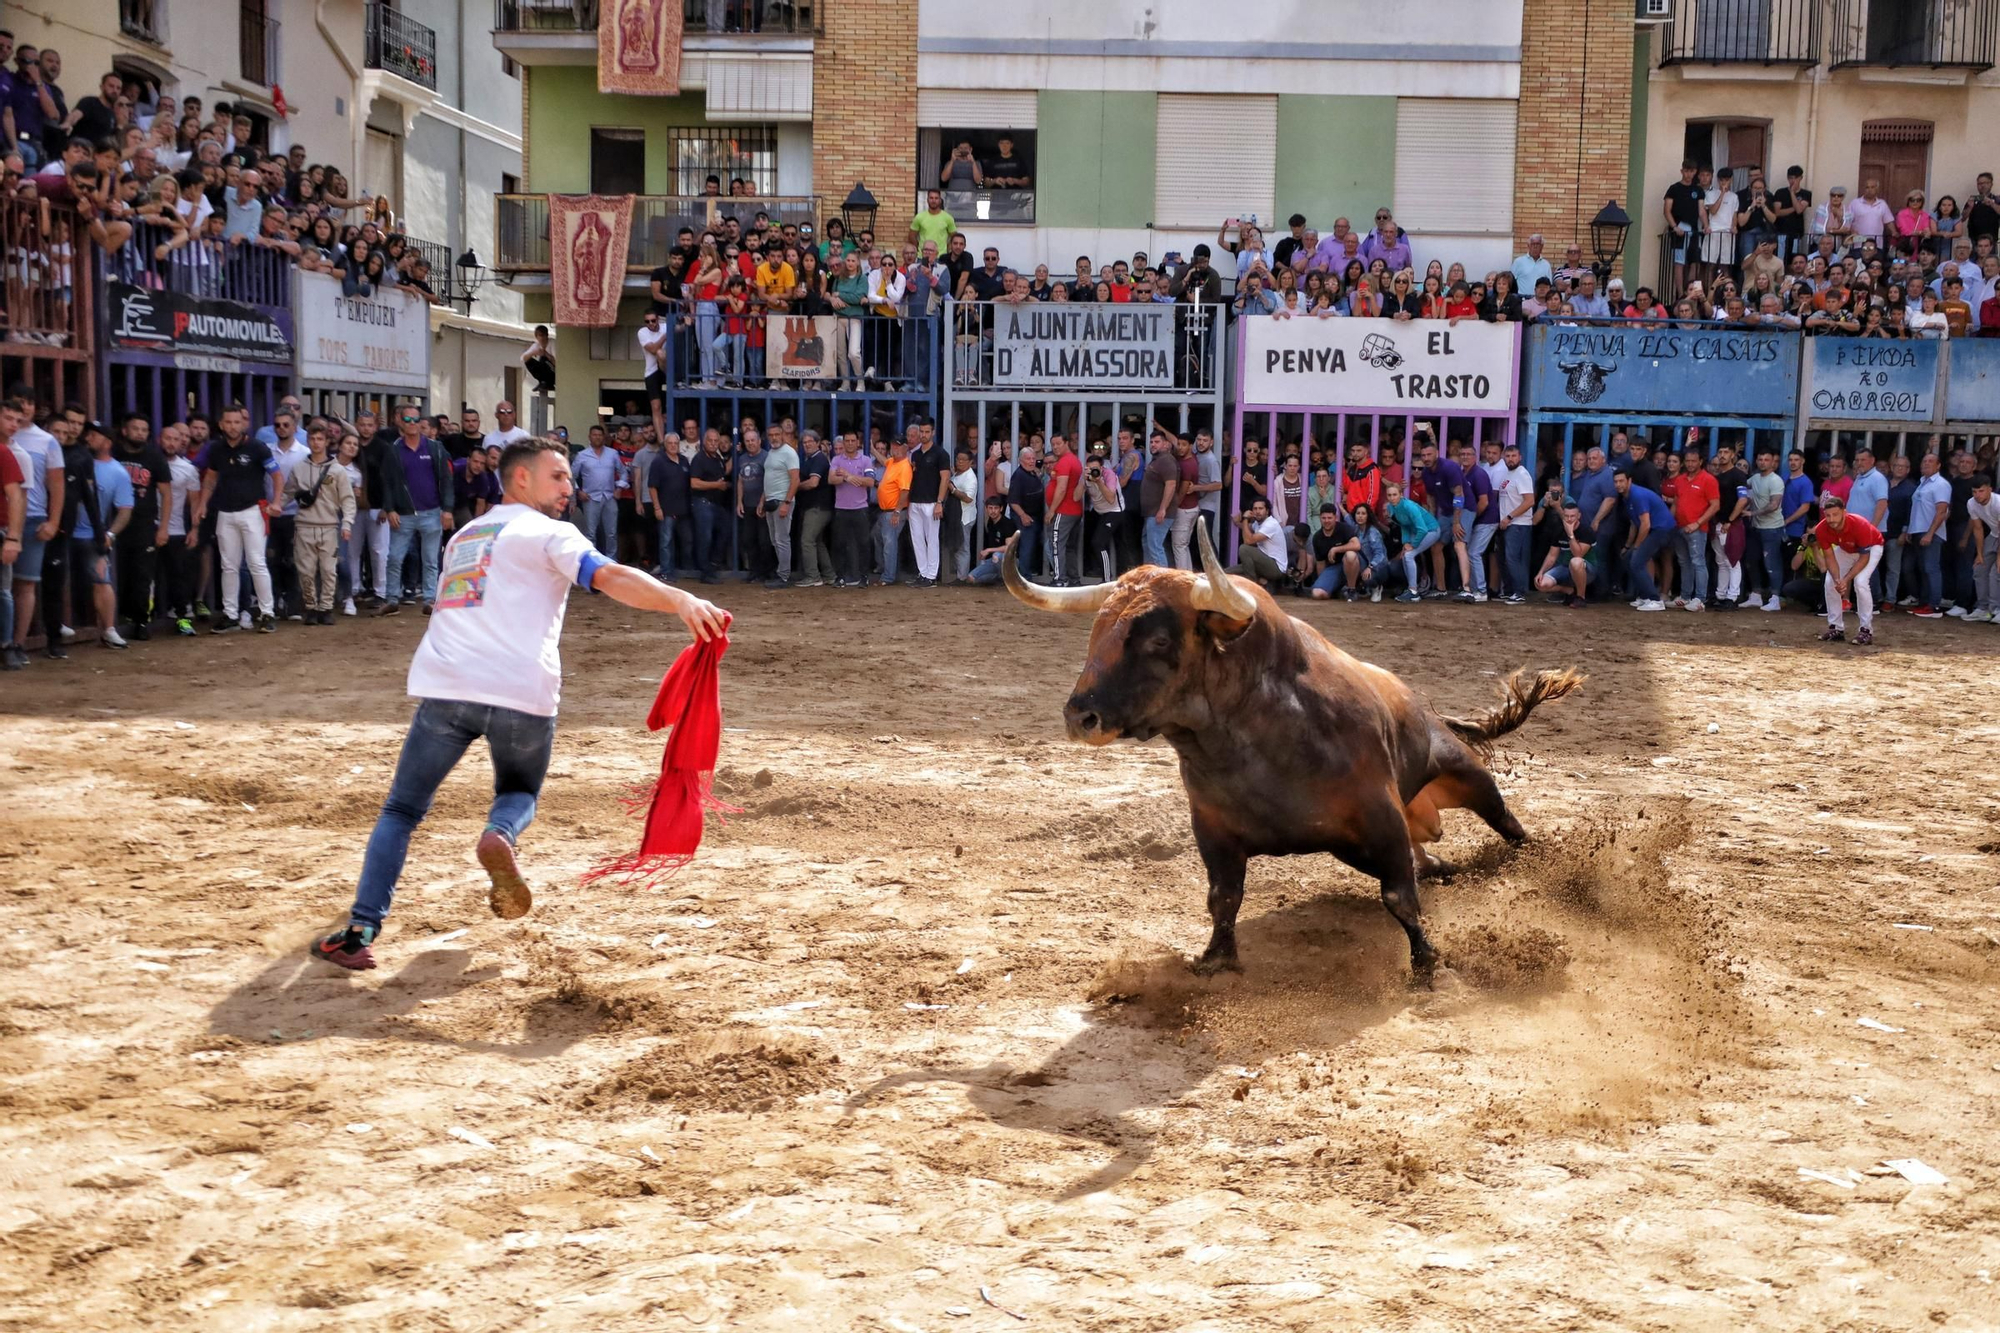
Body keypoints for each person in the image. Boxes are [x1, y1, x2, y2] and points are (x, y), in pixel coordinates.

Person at [314, 438, 729, 971]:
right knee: (517, 790)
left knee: (401, 810)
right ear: (520, 480)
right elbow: (608, 576)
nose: (568, 487)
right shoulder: (550, 532)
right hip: (518, 687)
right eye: (557, 477)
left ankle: (360, 928)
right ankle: (499, 834)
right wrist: (680, 599)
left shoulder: (465, 533)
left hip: (447, 684)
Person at [196, 402, 277, 633]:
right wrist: (202, 503)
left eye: (237, 422)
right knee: (228, 565)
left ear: (244, 423)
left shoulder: (258, 447)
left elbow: (277, 475)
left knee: (256, 562)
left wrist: (277, 501)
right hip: (225, 512)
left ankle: (266, 613)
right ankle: (230, 614)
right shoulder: (216, 449)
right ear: (221, 425)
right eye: (228, 422)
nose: (232, 426)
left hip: (253, 510)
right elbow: (210, 479)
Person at [377, 405, 455, 615]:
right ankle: (392, 599)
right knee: (394, 557)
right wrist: (390, 508)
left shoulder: (435, 448)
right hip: (403, 514)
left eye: (415, 420)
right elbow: (388, 482)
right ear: (400, 422)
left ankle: (429, 600)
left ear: (421, 422)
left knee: (430, 560)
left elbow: (446, 480)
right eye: (408, 420)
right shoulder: (393, 450)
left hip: (432, 511)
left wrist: (447, 509)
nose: (412, 424)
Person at [68, 421, 133, 648]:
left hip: (92, 534)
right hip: (63, 530)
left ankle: (108, 629)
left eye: (94, 435)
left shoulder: (118, 472)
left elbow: (125, 510)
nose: (88, 438)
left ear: (107, 442)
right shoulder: (74, 460)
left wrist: (111, 534)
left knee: (101, 579)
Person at [283, 421, 355, 625]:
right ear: (308, 441)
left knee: (328, 570)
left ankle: (326, 607)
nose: (316, 443)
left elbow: (347, 499)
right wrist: (276, 506)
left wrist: (347, 523)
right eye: (313, 439)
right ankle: (311, 606)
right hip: (304, 525)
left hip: (328, 526)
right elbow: (288, 492)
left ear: (326, 442)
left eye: (320, 439)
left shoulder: (337, 470)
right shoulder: (299, 468)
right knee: (305, 570)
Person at [109, 409, 170, 641]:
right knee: (118, 571)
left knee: (143, 574)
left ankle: (141, 620)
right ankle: (118, 617)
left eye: (144, 430)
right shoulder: (113, 453)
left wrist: (163, 527)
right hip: (114, 521)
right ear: (124, 430)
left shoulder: (155, 458)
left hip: (144, 523)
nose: (140, 433)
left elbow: (166, 494)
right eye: (135, 428)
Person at [1812, 492, 1884, 644]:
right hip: (1847, 548)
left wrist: (1846, 580)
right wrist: (1838, 580)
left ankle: (1866, 630)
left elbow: (1864, 557)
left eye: (1835, 515)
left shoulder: (1859, 524)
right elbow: (1829, 557)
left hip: (1872, 547)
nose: (1831, 519)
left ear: (1844, 512)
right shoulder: (1821, 529)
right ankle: (1836, 628)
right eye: (1828, 515)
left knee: (1861, 582)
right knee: (1830, 582)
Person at [1615, 469, 1674, 612]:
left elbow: (1645, 524)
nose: (1618, 484)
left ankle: (1655, 599)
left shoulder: (1637, 495)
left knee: (1636, 561)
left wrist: (1637, 546)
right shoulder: (1626, 497)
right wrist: (1628, 546)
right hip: (1654, 530)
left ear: (1629, 481)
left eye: (1621, 481)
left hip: (1662, 530)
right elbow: (1635, 523)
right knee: (1628, 558)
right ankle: (1645, 596)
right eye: (1616, 481)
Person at [1908, 450, 1952, 617]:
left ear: (1938, 465)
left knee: (1931, 568)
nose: (1925, 464)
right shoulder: (1923, 483)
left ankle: (1934, 605)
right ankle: (1925, 603)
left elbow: (1941, 511)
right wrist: (1912, 530)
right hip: (1919, 531)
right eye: (1924, 461)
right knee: (1923, 568)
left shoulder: (1940, 484)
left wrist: (1930, 533)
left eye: (1930, 461)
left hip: (1930, 533)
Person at [902, 422, 946, 587]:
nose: (923, 434)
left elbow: (945, 478)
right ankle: (923, 572)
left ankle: (931, 575)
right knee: (917, 539)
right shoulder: (915, 455)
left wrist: (939, 502)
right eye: (921, 431)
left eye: (927, 431)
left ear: (933, 432)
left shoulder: (940, 453)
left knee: (932, 539)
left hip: (932, 502)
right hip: (915, 501)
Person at [1383, 480, 1440, 603]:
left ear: (1401, 495)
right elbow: (1404, 525)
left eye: (1395, 495)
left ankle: (1413, 592)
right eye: (1389, 495)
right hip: (1415, 531)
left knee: (1409, 555)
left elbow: (1423, 529)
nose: (1392, 498)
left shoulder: (1409, 506)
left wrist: (1412, 545)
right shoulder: (1390, 508)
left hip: (1431, 530)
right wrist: (1406, 543)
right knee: (1405, 555)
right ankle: (1411, 589)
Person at [1534, 498, 1597, 608]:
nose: (1569, 519)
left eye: (1572, 516)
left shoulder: (1586, 530)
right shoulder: (1559, 529)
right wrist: (1541, 572)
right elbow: (1552, 556)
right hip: (1566, 568)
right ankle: (1568, 591)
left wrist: (1570, 535)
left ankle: (1580, 597)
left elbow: (1578, 554)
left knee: (1576, 561)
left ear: (1579, 516)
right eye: (1566, 516)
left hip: (1587, 570)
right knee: (1541, 584)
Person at [828, 433, 873, 587]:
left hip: (860, 508)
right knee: (839, 544)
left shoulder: (865, 460)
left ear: (858, 442)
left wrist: (848, 475)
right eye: (847, 441)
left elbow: (870, 481)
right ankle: (840, 576)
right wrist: (848, 478)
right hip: (841, 508)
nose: (850, 444)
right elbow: (831, 479)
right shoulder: (836, 460)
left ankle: (864, 576)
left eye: (853, 441)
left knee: (863, 543)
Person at [1043, 433, 1085, 587]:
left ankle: (1060, 579)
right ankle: (1074, 579)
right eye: (1053, 444)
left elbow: (1061, 488)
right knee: (1069, 547)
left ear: (1066, 443)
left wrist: (1052, 510)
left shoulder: (1065, 462)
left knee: (1056, 544)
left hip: (1064, 510)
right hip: (1073, 510)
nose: (1055, 447)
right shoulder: (1074, 460)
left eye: (1058, 444)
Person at [1306, 506, 1361, 599]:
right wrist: (1323, 581)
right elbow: (1320, 563)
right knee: (1317, 593)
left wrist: (1335, 549)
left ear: (1336, 518)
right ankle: (1335, 590)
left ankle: (1352, 590)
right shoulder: (1317, 537)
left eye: (1329, 518)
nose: (1326, 521)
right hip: (1335, 568)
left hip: (1355, 565)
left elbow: (1357, 545)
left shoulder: (1344, 528)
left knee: (1350, 555)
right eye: (1324, 518)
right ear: (1320, 518)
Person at [1230, 497, 1286, 587]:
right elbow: (1248, 527)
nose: (1257, 511)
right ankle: (1264, 583)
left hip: (1275, 567)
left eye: (1261, 508)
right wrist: (1237, 523)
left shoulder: (1270, 524)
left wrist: (1245, 518)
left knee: (1244, 549)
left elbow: (1248, 541)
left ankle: (1252, 585)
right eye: (1255, 509)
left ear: (1267, 511)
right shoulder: (1258, 524)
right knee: (1226, 573)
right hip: (1263, 564)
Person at [1967, 472, 2000, 623]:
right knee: (1979, 568)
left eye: (1981, 491)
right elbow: (1978, 529)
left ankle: (1996, 609)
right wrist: (1980, 553)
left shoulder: (1998, 503)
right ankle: (1983, 608)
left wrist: (1999, 558)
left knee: (1996, 572)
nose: (1977, 495)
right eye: (1974, 491)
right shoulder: (1971, 503)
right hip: (1993, 535)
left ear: (1989, 490)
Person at [967, 496, 1019, 586]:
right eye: (990, 508)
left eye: (996, 508)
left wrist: (989, 550)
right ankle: (998, 579)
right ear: (986, 509)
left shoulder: (1007, 524)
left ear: (1001, 509)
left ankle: (1007, 579)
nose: (993, 511)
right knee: (971, 578)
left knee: (997, 556)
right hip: (993, 562)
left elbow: (1009, 548)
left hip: (1010, 561)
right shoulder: (990, 522)